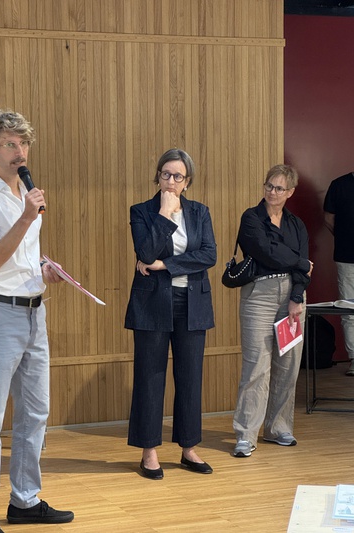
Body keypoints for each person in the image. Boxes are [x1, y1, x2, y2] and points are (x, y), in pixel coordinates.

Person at [0, 110, 74, 533]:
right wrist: (27, 216)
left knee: (35, 413)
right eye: (10, 144)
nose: (20, 151)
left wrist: (42, 269)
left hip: (33, 312)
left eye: (23, 143)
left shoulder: (26, 191)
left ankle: (24, 500)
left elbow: (18, 256)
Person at [125, 149, 217, 479]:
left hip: (192, 303)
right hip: (152, 303)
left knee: (190, 377)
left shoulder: (200, 212)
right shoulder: (142, 211)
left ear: (187, 181)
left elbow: (209, 255)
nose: (171, 181)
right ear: (158, 176)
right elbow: (145, 251)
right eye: (166, 174)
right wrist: (164, 215)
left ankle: (189, 448)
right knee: (150, 377)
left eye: (178, 176)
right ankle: (149, 451)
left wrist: (164, 264)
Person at [232, 164, 313, 458]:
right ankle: (246, 435)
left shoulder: (296, 224)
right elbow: (266, 252)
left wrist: (296, 296)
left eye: (279, 188)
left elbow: (302, 266)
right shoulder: (251, 218)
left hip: (292, 296)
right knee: (256, 366)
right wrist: (300, 262)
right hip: (259, 296)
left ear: (290, 192)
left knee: (288, 365)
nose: (272, 192)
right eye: (269, 185)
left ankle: (277, 428)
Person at [324, 172, 354, 375]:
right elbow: (328, 218)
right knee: (349, 309)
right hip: (346, 256)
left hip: (345, 252)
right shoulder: (339, 185)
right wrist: (344, 237)